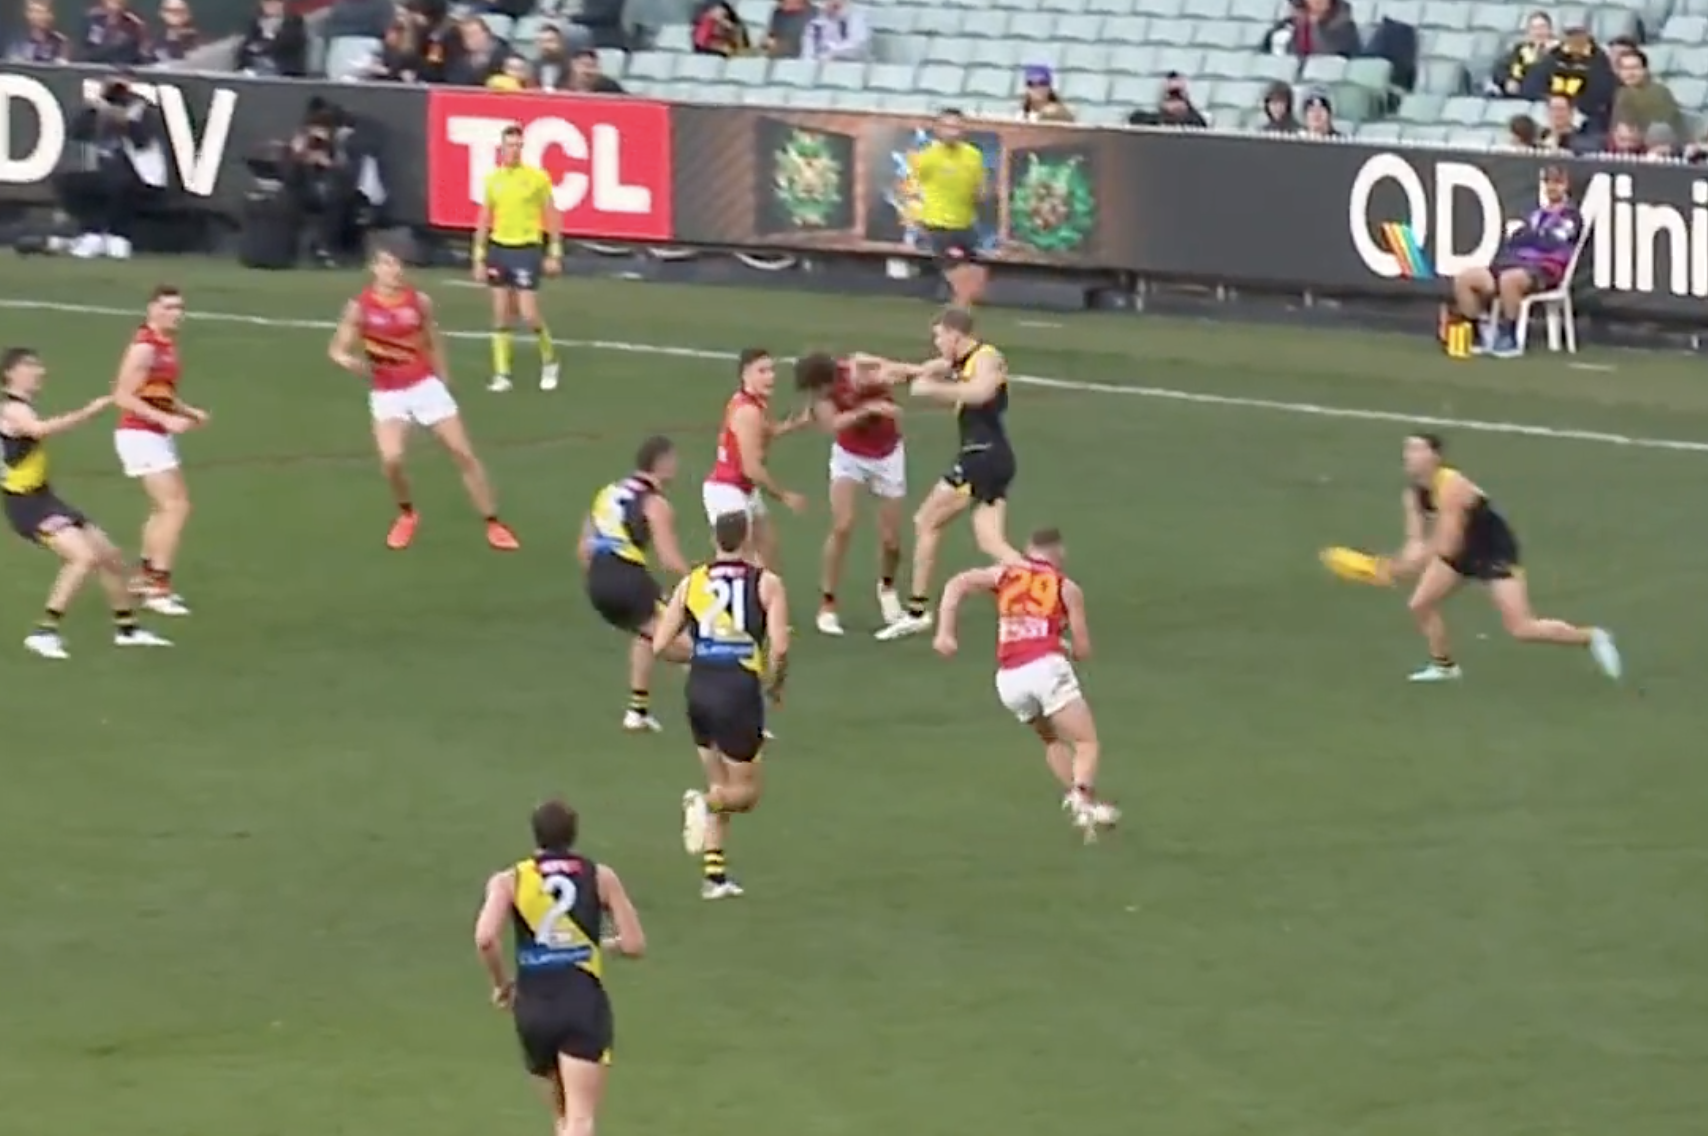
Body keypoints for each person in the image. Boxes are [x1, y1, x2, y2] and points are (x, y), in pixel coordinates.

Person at [1382, 433, 1621, 683]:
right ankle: (1445, 667)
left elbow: (1448, 544)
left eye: (1416, 449)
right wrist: (1397, 564)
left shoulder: (1454, 486)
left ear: (1435, 457)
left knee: (1522, 628)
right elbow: (1415, 541)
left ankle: (1592, 636)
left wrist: (1409, 565)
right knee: (1420, 604)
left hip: (1492, 551)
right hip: (1461, 551)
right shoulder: (1413, 494)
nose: (1408, 455)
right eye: (1407, 449)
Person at [329, 242, 520, 551]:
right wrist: (352, 364)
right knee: (392, 460)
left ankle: (493, 521)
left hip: (424, 386)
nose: (394, 271)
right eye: (387, 264)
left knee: (463, 453)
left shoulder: (419, 302)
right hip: (388, 393)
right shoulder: (360, 307)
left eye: (398, 264)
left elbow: (432, 340)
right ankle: (407, 514)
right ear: (374, 268)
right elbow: (338, 349)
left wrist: (442, 378)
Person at [472, 799, 646, 1136]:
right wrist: (601, 944)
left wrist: (501, 984)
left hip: (533, 1006)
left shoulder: (511, 879)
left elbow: (485, 939)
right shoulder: (600, 876)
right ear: (573, 834)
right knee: (580, 1120)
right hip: (581, 1002)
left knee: (563, 1120)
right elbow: (634, 944)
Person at [933, 528, 1118, 837]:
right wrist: (1063, 644)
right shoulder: (1066, 587)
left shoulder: (1005, 574)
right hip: (1046, 668)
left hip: (1009, 678)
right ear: (1059, 554)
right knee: (1086, 743)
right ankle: (1082, 798)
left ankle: (1083, 805)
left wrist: (945, 632)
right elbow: (1083, 650)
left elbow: (958, 583)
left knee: (1051, 739)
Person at [653, 511, 790, 900]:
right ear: (747, 539)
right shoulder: (767, 583)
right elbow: (780, 647)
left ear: (715, 539)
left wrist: (701, 654)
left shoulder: (691, 582)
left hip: (699, 688)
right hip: (738, 691)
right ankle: (704, 803)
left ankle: (714, 876)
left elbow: (660, 644)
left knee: (720, 780)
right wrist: (775, 683)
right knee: (745, 793)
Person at [2, 347, 171, 659]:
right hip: (27, 505)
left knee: (110, 556)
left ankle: (127, 629)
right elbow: (39, 430)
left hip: (44, 497)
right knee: (82, 558)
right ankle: (44, 632)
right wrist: (88, 412)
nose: (40, 371)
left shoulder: (19, 408)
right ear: (10, 373)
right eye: (30, 365)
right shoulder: (13, 409)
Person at [867, 307, 1020, 641]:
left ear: (955, 334)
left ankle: (917, 611)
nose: (936, 342)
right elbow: (924, 370)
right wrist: (891, 370)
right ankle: (1041, 590)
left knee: (926, 520)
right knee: (991, 541)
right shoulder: (959, 362)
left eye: (939, 336)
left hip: (982, 456)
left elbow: (981, 392)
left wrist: (932, 390)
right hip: (990, 457)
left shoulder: (987, 358)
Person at [580, 434, 693, 733]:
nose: (677, 466)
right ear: (662, 463)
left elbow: (584, 547)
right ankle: (732, 715)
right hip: (628, 580)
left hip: (598, 582)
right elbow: (669, 559)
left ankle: (637, 712)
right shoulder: (656, 504)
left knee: (645, 631)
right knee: (700, 648)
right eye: (673, 460)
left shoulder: (607, 493)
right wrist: (698, 580)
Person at [791, 352, 906, 634]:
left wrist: (904, 374)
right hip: (849, 456)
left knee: (891, 539)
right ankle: (828, 602)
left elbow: (890, 370)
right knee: (842, 526)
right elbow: (833, 424)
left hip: (887, 456)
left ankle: (887, 587)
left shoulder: (857, 370)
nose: (817, 396)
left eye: (818, 389)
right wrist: (870, 409)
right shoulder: (821, 399)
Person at [111, 285, 206, 617]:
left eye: (179, 308)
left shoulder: (165, 344)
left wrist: (186, 410)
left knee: (165, 508)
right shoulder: (145, 347)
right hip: (140, 434)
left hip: (153, 434)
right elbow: (122, 395)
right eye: (167, 307)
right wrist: (166, 418)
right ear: (152, 309)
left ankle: (145, 578)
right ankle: (158, 588)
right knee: (176, 507)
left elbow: (158, 390)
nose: (175, 314)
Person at [1447, 165, 1582, 359]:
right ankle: (1480, 328)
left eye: (1557, 182)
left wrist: (1529, 236)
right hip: (1511, 264)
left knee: (1509, 280)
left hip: (1543, 270)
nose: (1552, 187)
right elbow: (1515, 241)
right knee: (1465, 279)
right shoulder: (1536, 214)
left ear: (1566, 185)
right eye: (1548, 182)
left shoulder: (1571, 216)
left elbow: (1552, 242)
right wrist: (1533, 236)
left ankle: (1509, 334)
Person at [700, 347, 810, 571]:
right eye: (762, 371)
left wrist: (793, 425)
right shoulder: (748, 412)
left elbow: (763, 431)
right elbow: (751, 468)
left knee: (767, 550)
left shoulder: (750, 402)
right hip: (728, 491)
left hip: (743, 488)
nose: (771, 376)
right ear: (745, 375)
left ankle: (759, 590)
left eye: (771, 370)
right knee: (743, 560)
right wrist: (784, 496)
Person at [474, 123, 562, 394]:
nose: (513, 150)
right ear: (501, 148)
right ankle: (502, 374)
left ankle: (550, 361)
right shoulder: (493, 180)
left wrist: (554, 251)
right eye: (509, 145)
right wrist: (478, 256)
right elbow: (485, 218)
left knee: (529, 314)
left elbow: (551, 215)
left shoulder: (537, 178)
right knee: (501, 314)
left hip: (526, 249)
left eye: (517, 146)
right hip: (499, 249)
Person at [908, 108, 989, 309]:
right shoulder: (928, 157)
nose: (952, 131)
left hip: (966, 224)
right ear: (937, 129)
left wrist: (981, 194)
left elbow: (980, 188)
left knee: (972, 280)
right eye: (947, 127)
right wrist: (917, 218)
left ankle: (954, 315)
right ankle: (953, 317)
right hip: (938, 225)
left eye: (956, 127)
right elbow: (912, 188)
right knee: (958, 278)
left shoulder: (973, 155)